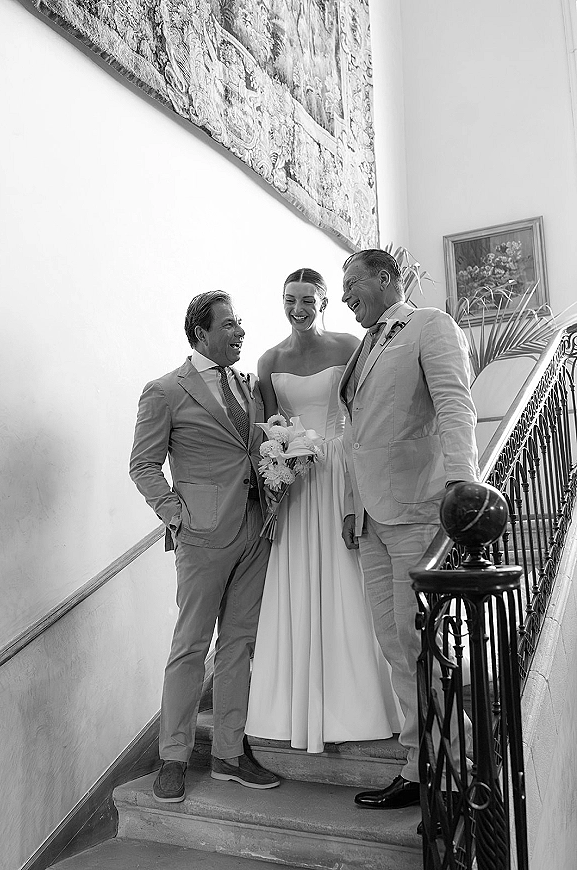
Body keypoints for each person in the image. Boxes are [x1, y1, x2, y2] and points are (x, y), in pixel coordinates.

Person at [339, 248, 478, 809]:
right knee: (397, 647)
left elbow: (454, 405)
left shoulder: (428, 325)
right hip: (370, 519)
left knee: (420, 643)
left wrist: (463, 486)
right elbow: (357, 435)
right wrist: (350, 506)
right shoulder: (366, 345)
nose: (344, 296)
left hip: (418, 511)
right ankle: (422, 763)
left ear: (386, 278)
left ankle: (453, 772)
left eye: (352, 283)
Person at [130, 290, 280, 803]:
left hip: (256, 529)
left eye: (240, 323)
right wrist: (177, 515)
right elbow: (143, 465)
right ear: (201, 333)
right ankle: (173, 757)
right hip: (201, 536)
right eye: (230, 324)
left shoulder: (249, 385)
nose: (241, 331)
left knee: (239, 645)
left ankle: (229, 754)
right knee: (191, 647)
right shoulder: (164, 391)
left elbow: (255, 450)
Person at [245, 268, 403, 753]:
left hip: (339, 470)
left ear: (324, 302)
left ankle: (360, 703)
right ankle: (296, 705)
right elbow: (270, 426)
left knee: (347, 575)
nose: (298, 308)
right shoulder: (270, 359)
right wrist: (278, 462)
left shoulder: (350, 346)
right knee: (297, 578)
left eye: (308, 300)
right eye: (290, 299)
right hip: (297, 478)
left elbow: (363, 413)